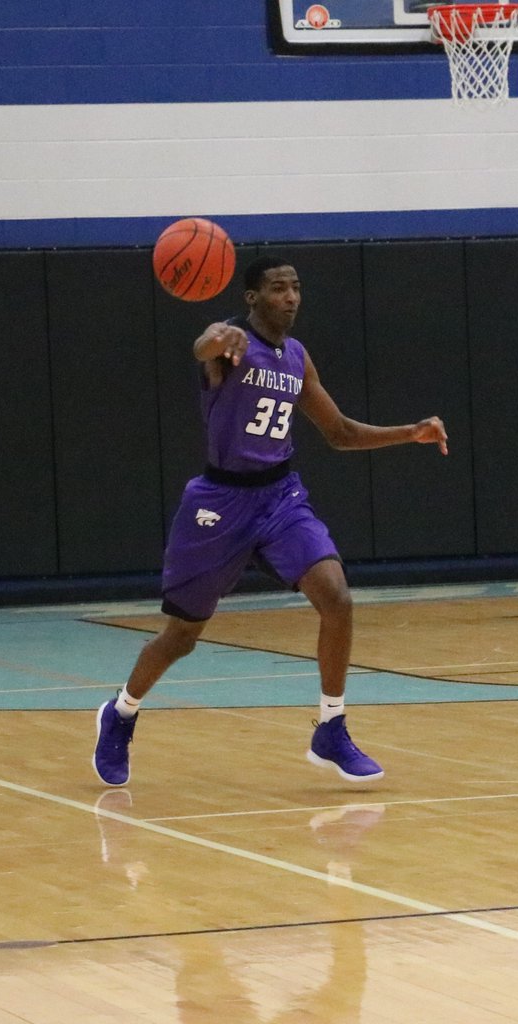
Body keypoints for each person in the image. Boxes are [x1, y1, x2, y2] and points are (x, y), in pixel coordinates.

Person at [93, 255, 447, 787]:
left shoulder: (297, 357)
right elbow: (204, 345)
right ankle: (120, 712)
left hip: (280, 497)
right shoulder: (229, 346)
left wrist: (409, 431)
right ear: (251, 298)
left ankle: (331, 727)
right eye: (278, 288)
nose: (291, 296)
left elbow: (341, 432)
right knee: (183, 636)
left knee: (337, 596)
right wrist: (215, 338)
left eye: (296, 287)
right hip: (220, 502)